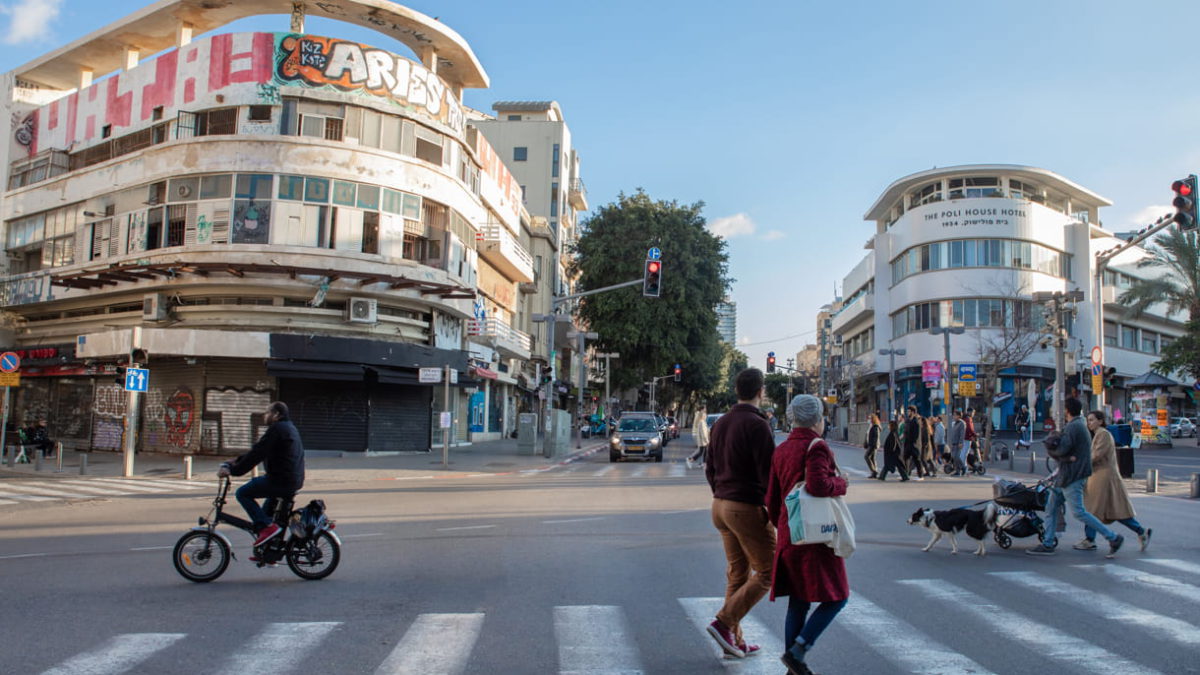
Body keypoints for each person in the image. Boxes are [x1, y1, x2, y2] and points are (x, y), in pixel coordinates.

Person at [766, 395, 849, 675]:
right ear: (816, 420)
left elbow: (772, 500)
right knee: (837, 597)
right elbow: (819, 484)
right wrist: (841, 483)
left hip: (791, 534)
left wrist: (786, 526)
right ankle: (799, 649)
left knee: (799, 602)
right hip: (816, 537)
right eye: (823, 417)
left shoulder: (782, 449)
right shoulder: (817, 447)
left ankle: (793, 667)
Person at [703, 368, 776, 658]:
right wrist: (777, 513)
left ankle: (732, 639)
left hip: (720, 505)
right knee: (770, 571)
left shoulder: (721, 423)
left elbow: (710, 467)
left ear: (737, 391)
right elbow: (768, 475)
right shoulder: (758, 425)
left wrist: (721, 492)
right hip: (744, 506)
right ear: (761, 391)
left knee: (739, 574)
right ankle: (724, 624)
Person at [1028, 398, 1124, 556]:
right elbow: (1065, 452)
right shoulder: (1078, 425)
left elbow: (1061, 450)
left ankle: (1112, 537)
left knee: (1079, 512)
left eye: (1061, 408)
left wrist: (1051, 448)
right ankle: (1048, 543)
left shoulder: (1074, 427)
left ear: (1066, 410)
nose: (1058, 411)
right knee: (1051, 507)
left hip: (1072, 476)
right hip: (1067, 476)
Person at [217, 401, 306, 547]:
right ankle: (268, 552)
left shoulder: (277, 429)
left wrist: (233, 471)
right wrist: (237, 460)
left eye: (267, 412)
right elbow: (260, 450)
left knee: (243, 493)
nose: (265, 415)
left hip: (281, 481)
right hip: (290, 480)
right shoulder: (288, 427)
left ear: (276, 414)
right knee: (264, 517)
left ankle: (267, 529)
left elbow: (258, 453)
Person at [1075, 410, 1152, 552]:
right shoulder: (1099, 434)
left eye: (1091, 420)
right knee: (1114, 511)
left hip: (1103, 477)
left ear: (1100, 420)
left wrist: (1080, 462)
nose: (1089, 423)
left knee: (1092, 509)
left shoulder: (1103, 434)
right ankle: (1141, 531)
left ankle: (1090, 540)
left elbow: (1097, 455)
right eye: (1088, 420)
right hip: (1101, 476)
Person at [902, 407, 925, 480]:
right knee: (905, 458)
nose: (908, 413)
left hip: (914, 444)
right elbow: (905, 432)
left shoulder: (916, 421)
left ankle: (920, 475)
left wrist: (914, 443)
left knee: (917, 460)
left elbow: (917, 435)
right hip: (908, 444)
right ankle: (906, 474)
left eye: (909, 411)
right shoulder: (908, 421)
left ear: (913, 412)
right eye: (907, 411)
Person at [949, 409, 967, 475]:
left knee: (956, 457)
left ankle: (960, 469)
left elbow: (962, 434)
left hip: (958, 443)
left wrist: (961, 442)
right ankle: (960, 469)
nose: (953, 416)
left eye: (955, 415)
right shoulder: (955, 423)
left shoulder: (962, 423)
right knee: (954, 457)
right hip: (953, 443)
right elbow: (953, 433)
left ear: (959, 416)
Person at [863, 413, 881, 478]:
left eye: (870, 418)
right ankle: (874, 473)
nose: (869, 419)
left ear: (873, 419)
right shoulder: (871, 426)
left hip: (873, 445)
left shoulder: (875, 426)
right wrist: (866, 443)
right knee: (872, 458)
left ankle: (874, 471)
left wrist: (874, 445)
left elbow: (876, 437)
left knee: (866, 456)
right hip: (870, 444)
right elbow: (867, 435)